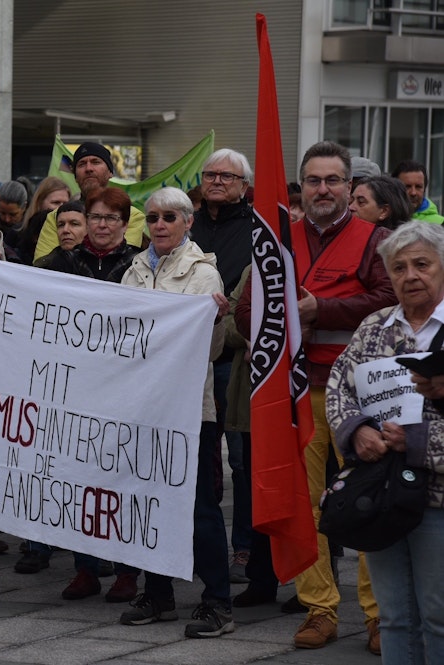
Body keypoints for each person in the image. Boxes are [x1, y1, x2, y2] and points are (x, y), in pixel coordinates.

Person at [237, 141, 393, 653]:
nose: (322, 189)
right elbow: (246, 311)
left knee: (369, 501)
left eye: (332, 180)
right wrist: (271, 317)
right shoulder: (277, 241)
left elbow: (389, 299)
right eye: (313, 181)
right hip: (295, 392)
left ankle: (378, 615)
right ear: (300, 187)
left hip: (362, 392)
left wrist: (319, 309)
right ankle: (319, 608)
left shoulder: (376, 241)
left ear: (350, 187)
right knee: (301, 504)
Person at [118, 186, 234, 639]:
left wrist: (218, 322)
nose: (160, 224)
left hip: (188, 410)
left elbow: (209, 351)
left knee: (200, 506)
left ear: (188, 222)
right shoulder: (133, 272)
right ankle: (159, 593)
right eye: (152, 217)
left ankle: (218, 602)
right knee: (147, 501)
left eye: (169, 216)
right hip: (142, 406)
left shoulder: (204, 276)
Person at [326, 220, 444, 663]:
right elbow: (340, 385)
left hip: (438, 498)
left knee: (438, 616)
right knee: (393, 616)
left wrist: (418, 440)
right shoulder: (375, 326)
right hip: (382, 493)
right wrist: (356, 429)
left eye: (421, 264)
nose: (410, 275)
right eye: (399, 267)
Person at [18, 187, 141, 600]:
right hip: (74, 389)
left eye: (111, 219)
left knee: (123, 480)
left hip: (124, 389)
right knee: (79, 478)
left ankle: (127, 573)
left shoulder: (140, 266)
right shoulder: (61, 263)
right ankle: (85, 567)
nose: (102, 225)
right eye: (96, 217)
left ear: (125, 224)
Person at [189, 148, 255, 585]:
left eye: (226, 177)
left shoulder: (256, 229)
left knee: (240, 460)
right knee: (192, 455)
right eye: (210, 174)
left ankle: (245, 549)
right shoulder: (184, 222)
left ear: (244, 186)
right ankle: (195, 543)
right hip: (183, 359)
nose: (216, 181)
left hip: (231, 356)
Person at [33, 143, 145, 263]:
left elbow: (122, 260)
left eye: (95, 162)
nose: (88, 168)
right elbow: (42, 264)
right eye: (82, 164)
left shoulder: (132, 215)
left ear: (110, 172)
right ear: (75, 176)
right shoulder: (55, 217)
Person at [18, 176, 71, 266]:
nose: (61, 208)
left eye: (66, 204)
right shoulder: (18, 235)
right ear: (39, 203)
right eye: (56, 202)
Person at [32, 200, 87, 269]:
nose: (65, 230)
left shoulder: (100, 265)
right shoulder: (43, 266)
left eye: (74, 224)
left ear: (89, 228)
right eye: (61, 225)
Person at [392, 159, 444, 224]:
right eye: (407, 187)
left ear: (424, 189)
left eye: (418, 187)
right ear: (394, 188)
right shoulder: (382, 221)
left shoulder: (440, 224)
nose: (413, 193)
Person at [0, 180, 29, 261]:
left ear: (24, 207)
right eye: (2, 213)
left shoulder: (30, 233)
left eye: (13, 215)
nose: (7, 219)